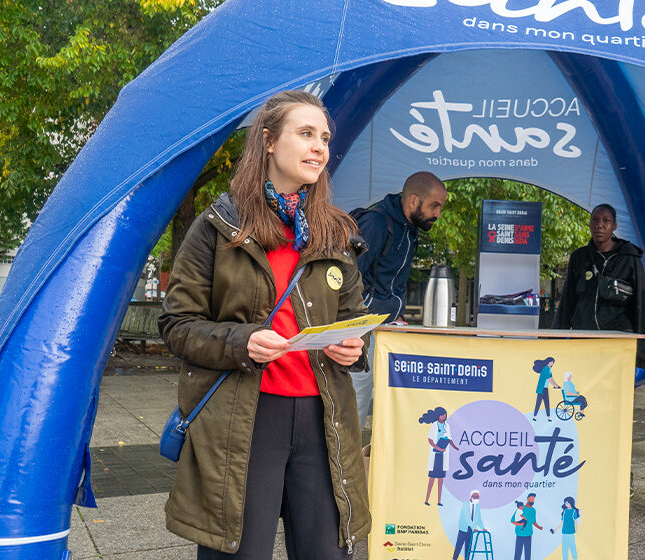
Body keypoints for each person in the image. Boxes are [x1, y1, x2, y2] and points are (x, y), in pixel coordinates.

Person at [158, 90, 370, 559]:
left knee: (327, 552)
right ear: (269, 142)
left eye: (325, 138)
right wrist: (242, 341)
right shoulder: (218, 224)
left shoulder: (338, 232)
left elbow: (354, 319)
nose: (320, 147)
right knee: (241, 551)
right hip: (244, 418)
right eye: (306, 133)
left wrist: (354, 347)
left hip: (324, 418)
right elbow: (177, 325)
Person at [350, 172, 448, 430]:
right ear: (414, 200)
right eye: (434, 206)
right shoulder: (377, 223)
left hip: (387, 327)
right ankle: (349, 462)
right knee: (358, 393)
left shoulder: (409, 230)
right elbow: (350, 276)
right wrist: (366, 316)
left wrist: (397, 313)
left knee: (389, 395)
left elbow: (393, 280)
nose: (438, 214)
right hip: (363, 327)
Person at [553, 204, 645, 336]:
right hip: (584, 335)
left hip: (619, 337)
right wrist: (556, 337)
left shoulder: (629, 257)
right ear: (589, 224)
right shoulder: (579, 257)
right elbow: (568, 300)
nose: (599, 225)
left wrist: (644, 341)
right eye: (595, 220)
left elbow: (641, 301)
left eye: (606, 220)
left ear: (614, 226)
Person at [420, 406, 459, 506]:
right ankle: (426, 500)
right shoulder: (434, 425)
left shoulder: (447, 426)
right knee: (432, 479)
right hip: (435, 455)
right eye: (442, 415)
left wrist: (455, 447)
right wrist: (438, 448)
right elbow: (430, 440)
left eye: (445, 414)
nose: (444, 416)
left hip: (443, 455)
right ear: (438, 416)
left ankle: (439, 501)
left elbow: (449, 439)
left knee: (441, 480)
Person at [452, 490, 487, 560]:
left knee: (468, 548)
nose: (476, 499)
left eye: (478, 497)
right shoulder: (465, 504)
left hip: (470, 530)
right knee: (459, 546)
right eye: (475, 497)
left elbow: (479, 518)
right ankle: (454, 558)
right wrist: (474, 527)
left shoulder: (477, 506)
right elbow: (467, 517)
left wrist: (483, 528)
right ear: (471, 497)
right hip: (463, 529)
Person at [511, 493, 544, 560]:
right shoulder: (521, 508)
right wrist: (520, 525)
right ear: (527, 499)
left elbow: (533, 522)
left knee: (528, 554)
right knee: (518, 553)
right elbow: (513, 521)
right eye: (531, 499)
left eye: (533, 499)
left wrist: (539, 527)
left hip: (528, 535)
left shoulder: (533, 510)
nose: (532, 501)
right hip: (520, 534)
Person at [531, 357, 561, 421]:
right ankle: (534, 416)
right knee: (538, 403)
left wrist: (556, 385)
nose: (552, 363)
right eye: (552, 362)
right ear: (549, 362)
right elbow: (550, 380)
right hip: (541, 388)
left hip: (545, 388)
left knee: (547, 403)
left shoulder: (548, 369)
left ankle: (548, 417)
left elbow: (551, 379)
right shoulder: (546, 369)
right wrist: (556, 386)